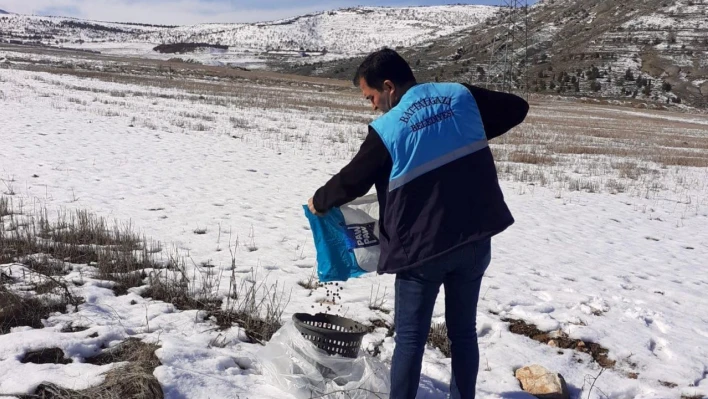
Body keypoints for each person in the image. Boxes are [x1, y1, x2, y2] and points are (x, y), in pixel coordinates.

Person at [307, 48, 529, 399]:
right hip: (474, 240)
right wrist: (467, 128)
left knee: (410, 338)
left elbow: (354, 180)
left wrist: (320, 201)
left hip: (423, 251)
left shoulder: (389, 127)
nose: (372, 106)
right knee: (463, 333)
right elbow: (517, 107)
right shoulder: (460, 97)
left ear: (389, 86)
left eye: (371, 96)